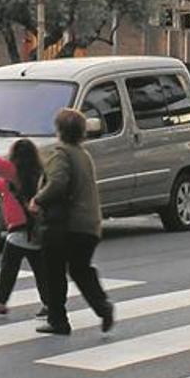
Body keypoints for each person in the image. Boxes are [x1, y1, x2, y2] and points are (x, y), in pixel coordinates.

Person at [30, 109, 114, 336]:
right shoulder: (83, 154)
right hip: (89, 224)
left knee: (54, 272)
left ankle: (58, 320)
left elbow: (58, 182)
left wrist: (38, 199)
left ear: (59, 130)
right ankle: (102, 306)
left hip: (65, 225)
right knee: (80, 269)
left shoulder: (60, 153)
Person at [0, 139, 48, 318]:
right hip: (32, 229)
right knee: (39, 269)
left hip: (21, 229)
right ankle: (49, 303)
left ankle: (1, 303)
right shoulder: (29, 175)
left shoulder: (14, 171)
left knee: (9, 266)